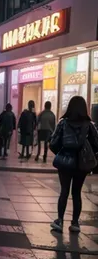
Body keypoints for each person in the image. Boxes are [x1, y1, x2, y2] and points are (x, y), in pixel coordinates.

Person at [48, 95, 98, 233]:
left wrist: (62, 151)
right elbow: (96, 144)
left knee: (64, 191)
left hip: (65, 161)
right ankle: (75, 223)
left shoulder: (63, 123)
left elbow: (53, 143)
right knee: (77, 192)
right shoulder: (89, 125)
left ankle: (59, 220)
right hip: (81, 164)